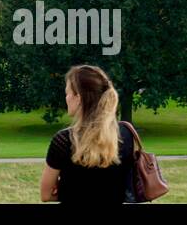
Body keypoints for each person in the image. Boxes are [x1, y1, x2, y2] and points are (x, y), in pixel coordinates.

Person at [40, 64, 135, 204]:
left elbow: (46, 195)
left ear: (78, 98)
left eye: (68, 93)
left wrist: (65, 189)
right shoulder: (125, 134)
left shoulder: (64, 140)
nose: (66, 98)